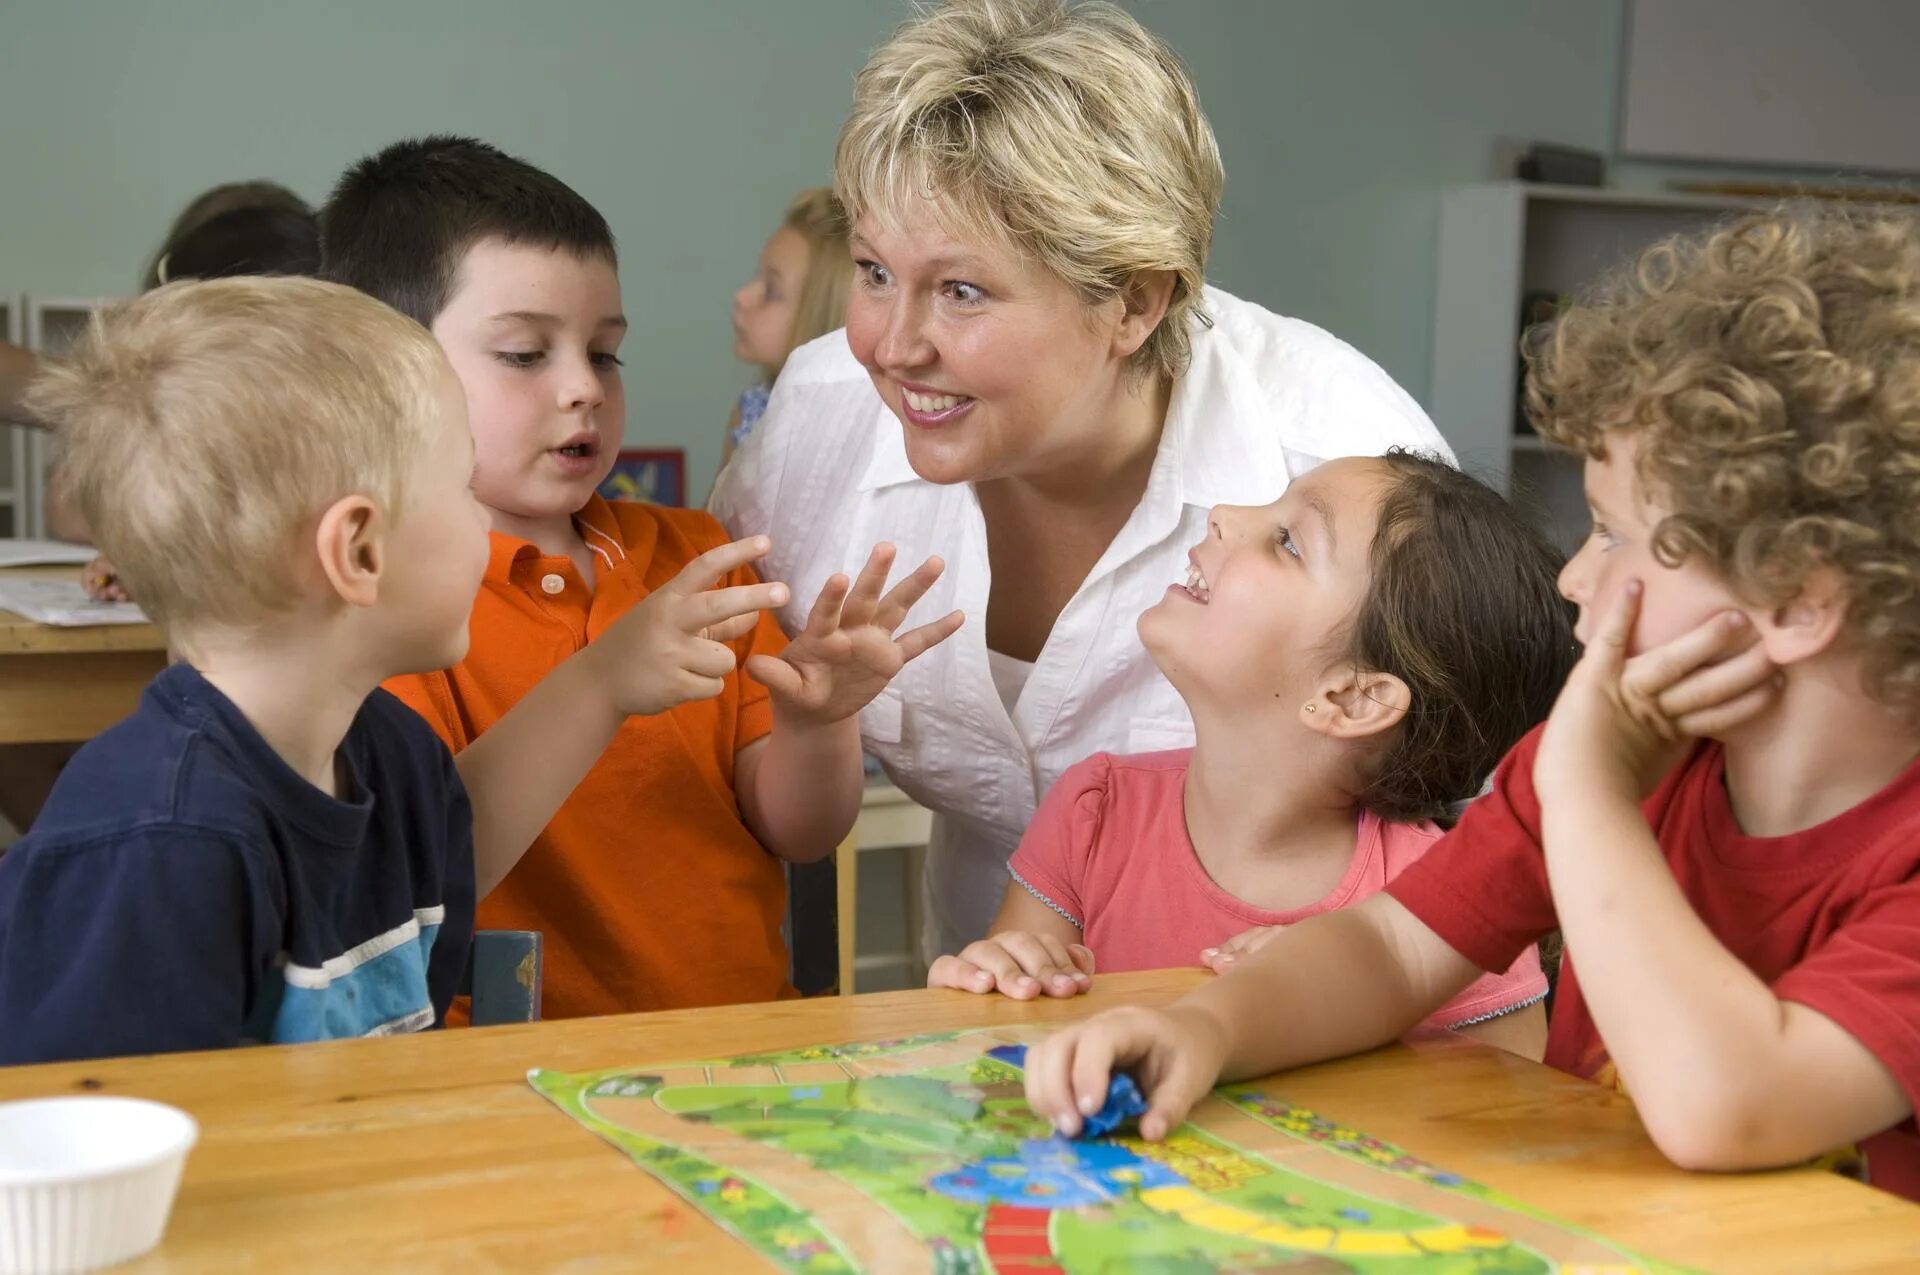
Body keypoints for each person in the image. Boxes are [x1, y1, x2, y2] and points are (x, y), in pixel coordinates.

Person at [1021, 208, 1920, 1202]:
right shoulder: (1606, 763)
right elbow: (1394, 945)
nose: (1576, 578)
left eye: (1617, 539)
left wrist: (1587, 796)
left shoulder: (1602, 775)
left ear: (1797, 600)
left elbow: (1731, 1109)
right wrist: (1210, 1026)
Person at [711, 0, 1450, 962]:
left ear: (1135, 302)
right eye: (873, 271)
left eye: (963, 290)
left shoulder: (1343, 461)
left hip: (1299, 1036)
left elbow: (1478, 854)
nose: (892, 348)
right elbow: (717, 746)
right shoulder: (819, 420)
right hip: (988, 1007)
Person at [0, 277, 786, 1063]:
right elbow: (102, 1157)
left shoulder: (400, 764)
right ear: (360, 552)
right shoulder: (159, 847)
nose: (485, 522)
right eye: (459, 487)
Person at [320, 136, 962, 1019]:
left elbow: (802, 829)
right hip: (508, 1090)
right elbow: (419, 877)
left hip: (739, 1066)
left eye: (606, 352)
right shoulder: (380, 603)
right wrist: (602, 682)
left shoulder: (691, 556)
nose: (583, 386)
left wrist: (818, 723)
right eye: (524, 354)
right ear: (385, 377)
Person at [930, 453, 1568, 1057]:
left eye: (1289, 541)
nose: (1224, 513)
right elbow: (1001, 1077)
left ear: (1352, 699)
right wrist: (997, 982)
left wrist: (1326, 1005)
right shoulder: (1092, 814)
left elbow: (1515, 1144)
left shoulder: (1461, 907)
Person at [723, 186, 852, 466]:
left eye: (771, 290)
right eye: (757, 276)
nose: (742, 296)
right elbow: (714, 511)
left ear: (824, 320)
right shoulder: (751, 412)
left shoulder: (854, 437)